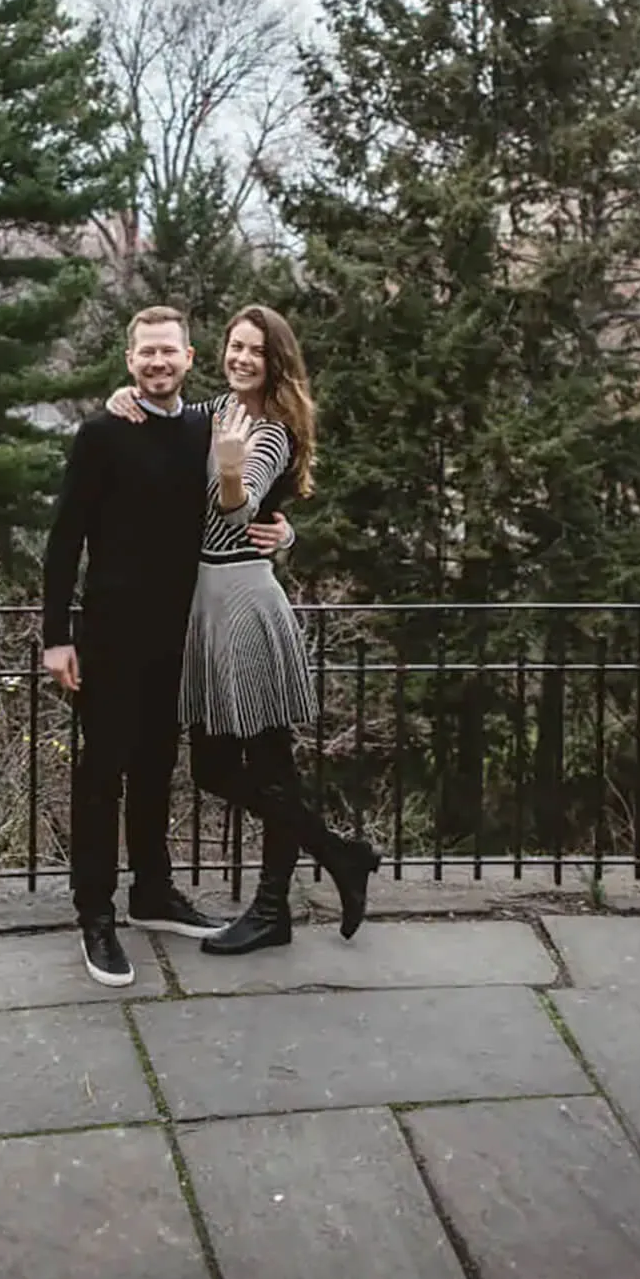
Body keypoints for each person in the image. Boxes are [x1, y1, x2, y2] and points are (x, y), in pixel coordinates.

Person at [107, 304, 379, 955]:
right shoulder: (214, 412)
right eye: (235, 346)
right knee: (218, 767)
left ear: (274, 359)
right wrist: (126, 397)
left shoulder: (270, 430)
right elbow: (165, 418)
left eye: (256, 350)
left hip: (243, 603)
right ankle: (338, 854)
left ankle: (273, 907)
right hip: (209, 601)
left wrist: (233, 474)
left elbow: (243, 500)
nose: (242, 358)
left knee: (266, 761)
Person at [41, 305, 293, 987]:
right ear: (131, 362)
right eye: (145, 353)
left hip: (179, 634)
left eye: (168, 352)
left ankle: (152, 891)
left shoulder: (205, 429)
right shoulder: (101, 433)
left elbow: (238, 504)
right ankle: (95, 913)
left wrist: (284, 530)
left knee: (157, 768)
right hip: (110, 636)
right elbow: (64, 539)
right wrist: (56, 637)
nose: (157, 363)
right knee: (102, 775)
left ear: (189, 357)